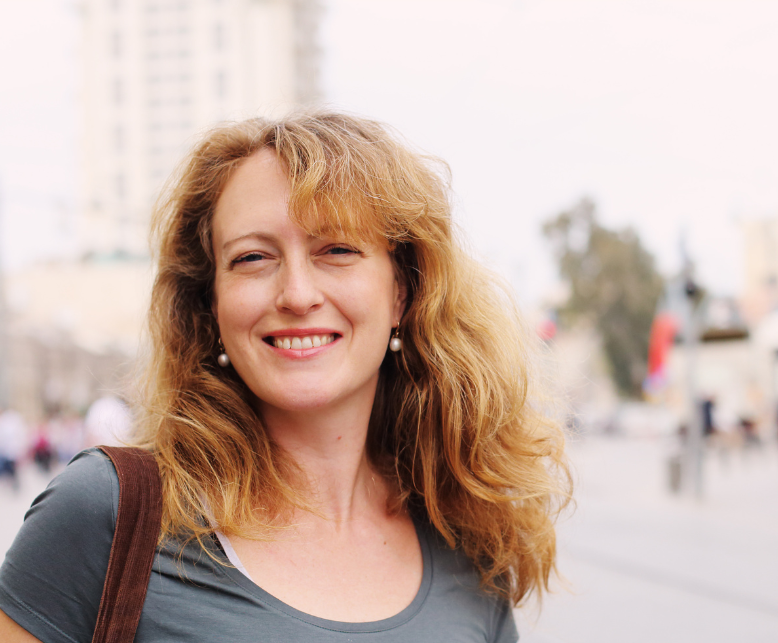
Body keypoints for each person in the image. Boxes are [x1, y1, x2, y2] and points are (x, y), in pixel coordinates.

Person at [0, 111, 571, 642]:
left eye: (337, 250)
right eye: (252, 258)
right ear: (211, 304)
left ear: (401, 292)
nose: (297, 294)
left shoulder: (468, 546)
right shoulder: (108, 513)